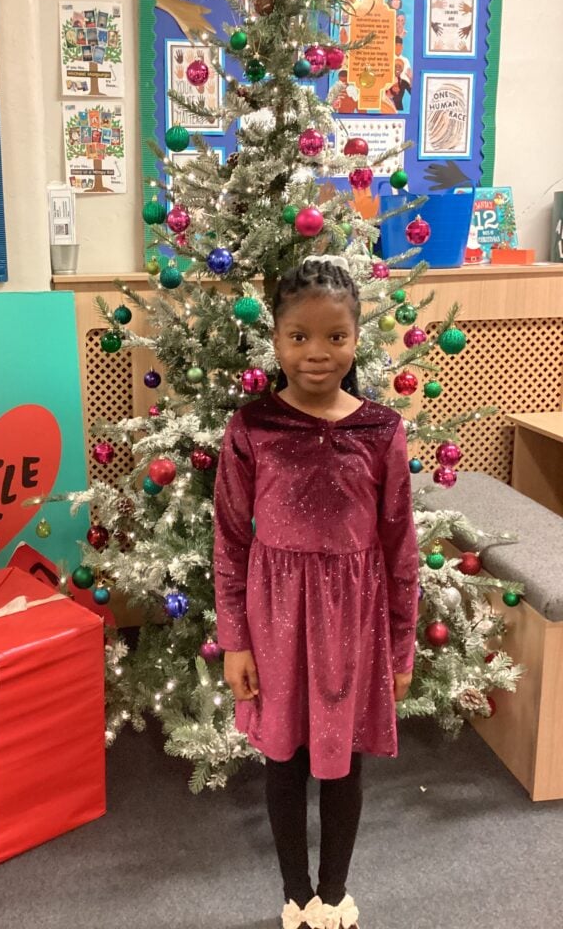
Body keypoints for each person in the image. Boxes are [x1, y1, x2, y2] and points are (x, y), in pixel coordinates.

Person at [214, 257, 419, 929]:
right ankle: (295, 893)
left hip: (353, 623)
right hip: (274, 620)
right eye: (299, 336)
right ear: (275, 340)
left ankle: (334, 894)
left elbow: (399, 549)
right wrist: (236, 639)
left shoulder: (381, 431)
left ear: (357, 338)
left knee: (341, 760)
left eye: (335, 336)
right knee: (283, 758)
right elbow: (229, 543)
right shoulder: (252, 428)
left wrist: (401, 645)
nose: (316, 353)